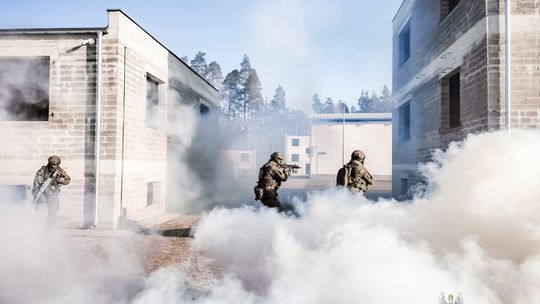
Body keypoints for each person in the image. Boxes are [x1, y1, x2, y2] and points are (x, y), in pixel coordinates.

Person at [32, 155, 70, 225]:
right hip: (42, 195)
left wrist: (59, 179)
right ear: (49, 164)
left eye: (55, 166)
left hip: (53, 195)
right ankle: (36, 230)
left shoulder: (60, 171)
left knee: (52, 214)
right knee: (39, 214)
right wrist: (36, 196)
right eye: (52, 166)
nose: (53, 168)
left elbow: (67, 180)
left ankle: (48, 230)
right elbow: (36, 184)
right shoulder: (42, 171)